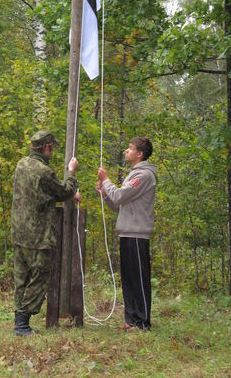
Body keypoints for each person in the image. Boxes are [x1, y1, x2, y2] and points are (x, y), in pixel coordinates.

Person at [11, 130, 80, 336]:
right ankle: (22, 324)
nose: (52, 152)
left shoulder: (21, 165)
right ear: (46, 148)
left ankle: (19, 321)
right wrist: (71, 172)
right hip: (37, 235)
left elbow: (41, 194)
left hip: (19, 231)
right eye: (52, 148)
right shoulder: (44, 172)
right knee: (40, 275)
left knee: (21, 277)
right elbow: (64, 192)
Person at [97, 137, 157, 331]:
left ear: (140, 154)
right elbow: (117, 204)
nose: (126, 151)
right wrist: (105, 193)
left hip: (138, 235)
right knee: (129, 279)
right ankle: (131, 320)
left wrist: (107, 181)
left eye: (130, 149)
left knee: (139, 279)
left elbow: (121, 195)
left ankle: (142, 322)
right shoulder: (132, 175)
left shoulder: (144, 175)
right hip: (127, 232)